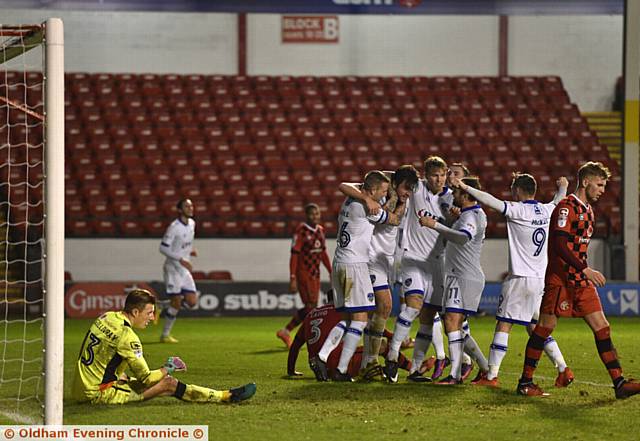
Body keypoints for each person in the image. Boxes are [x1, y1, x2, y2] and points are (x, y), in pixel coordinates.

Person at [516, 162, 640, 398]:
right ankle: (525, 382)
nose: (602, 190)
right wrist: (585, 269)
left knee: (602, 327)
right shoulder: (566, 207)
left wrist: (583, 273)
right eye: (600, 184)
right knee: (544, 328)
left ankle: (620, 384)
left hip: (580, 282)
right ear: (586, 182)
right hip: (560, 280)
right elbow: (560, 245)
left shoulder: (589, 211)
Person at [453, 172, 572, 388]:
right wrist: (563, 185)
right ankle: (563, 368)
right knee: (537, 327)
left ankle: (491, 377)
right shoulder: (547, 209)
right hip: (539, 279)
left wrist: (465, 186)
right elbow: (559, 200)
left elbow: (490, 200)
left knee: (504, 324)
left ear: (517, 191)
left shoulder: (518, 210)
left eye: (512, 189)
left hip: (519, 278)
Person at [72, 288, 256, 404]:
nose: (152, 318)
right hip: (98, 394)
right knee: (168, 383)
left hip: (81, 387)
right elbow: (146, 378)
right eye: (149, 313)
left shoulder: (106, 317)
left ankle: (225, 395)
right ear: (135, 312)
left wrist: (117, 374)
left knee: (131, 377)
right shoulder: (128, 338)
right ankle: (226, 396)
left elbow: (95, 351)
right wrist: (169, 367)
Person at [310, 171, 398, 382]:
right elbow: (393, 219)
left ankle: (322, 357)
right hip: (354, 267)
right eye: (383, 191)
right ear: (373, 190)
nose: (385, 194)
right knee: (360, 321)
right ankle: (340, 369)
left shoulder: (351, 199)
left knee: (349, 320)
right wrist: (395, 199)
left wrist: (370, 193)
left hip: (339, 262)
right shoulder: (368, 208)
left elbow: (344, 184)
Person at [337, 165, 419, 376]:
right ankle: (367, 361)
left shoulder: (406, 191)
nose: (408, 193)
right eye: (405, 188)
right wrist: (368, 199)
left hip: (387, 260)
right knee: (383, 306)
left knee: (372, 313)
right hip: (370, 256)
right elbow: (345, 185)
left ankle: (364, 362)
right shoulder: (381, 190)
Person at [420, 176, 488, 384]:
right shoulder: (470, 214)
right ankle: (484, 367)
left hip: (463, 277)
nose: (453, 195)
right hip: (460, 275)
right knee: (455, 325)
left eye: (457, 192)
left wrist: (435, 225)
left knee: (451, 321)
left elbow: (463, 237)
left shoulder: (470, 217)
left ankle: (455, 374)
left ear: (467, 195)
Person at [286, 290, 434, 379]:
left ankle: (375, 371)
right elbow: (375, 329)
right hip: (337, 363)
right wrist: (394, 338)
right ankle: (413, 368)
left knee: (361, 350)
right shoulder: (343, 311)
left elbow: (295, 345)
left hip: (320, 366)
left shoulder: (312, 314)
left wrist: (291, 371)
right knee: (381, 345)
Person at [276, 203, 332, 348]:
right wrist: (293, 277)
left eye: (317, 213)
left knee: (311, 308)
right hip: (304, 273)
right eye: (312, 214)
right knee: (310, 307)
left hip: (315, 273)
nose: (315, 216)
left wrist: (331, 271)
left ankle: (287, 331)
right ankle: (297, 334)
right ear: (307, 215)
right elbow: (294, 256)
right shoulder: (301, 231)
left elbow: (323, 253)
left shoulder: (320, 230)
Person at [158, 198, 198, 343]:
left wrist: (190, 250)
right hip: (173, 269)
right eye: (187, 206)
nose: (190, 208)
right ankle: (165, 335)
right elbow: (163, 248)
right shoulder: (174, 227)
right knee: (176, 302)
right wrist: (180, 259)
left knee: (192, 302)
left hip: (183, 269)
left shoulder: (192, 224)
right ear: (180, 210)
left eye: (191, 206)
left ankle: (163, 305)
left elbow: (183, 244)